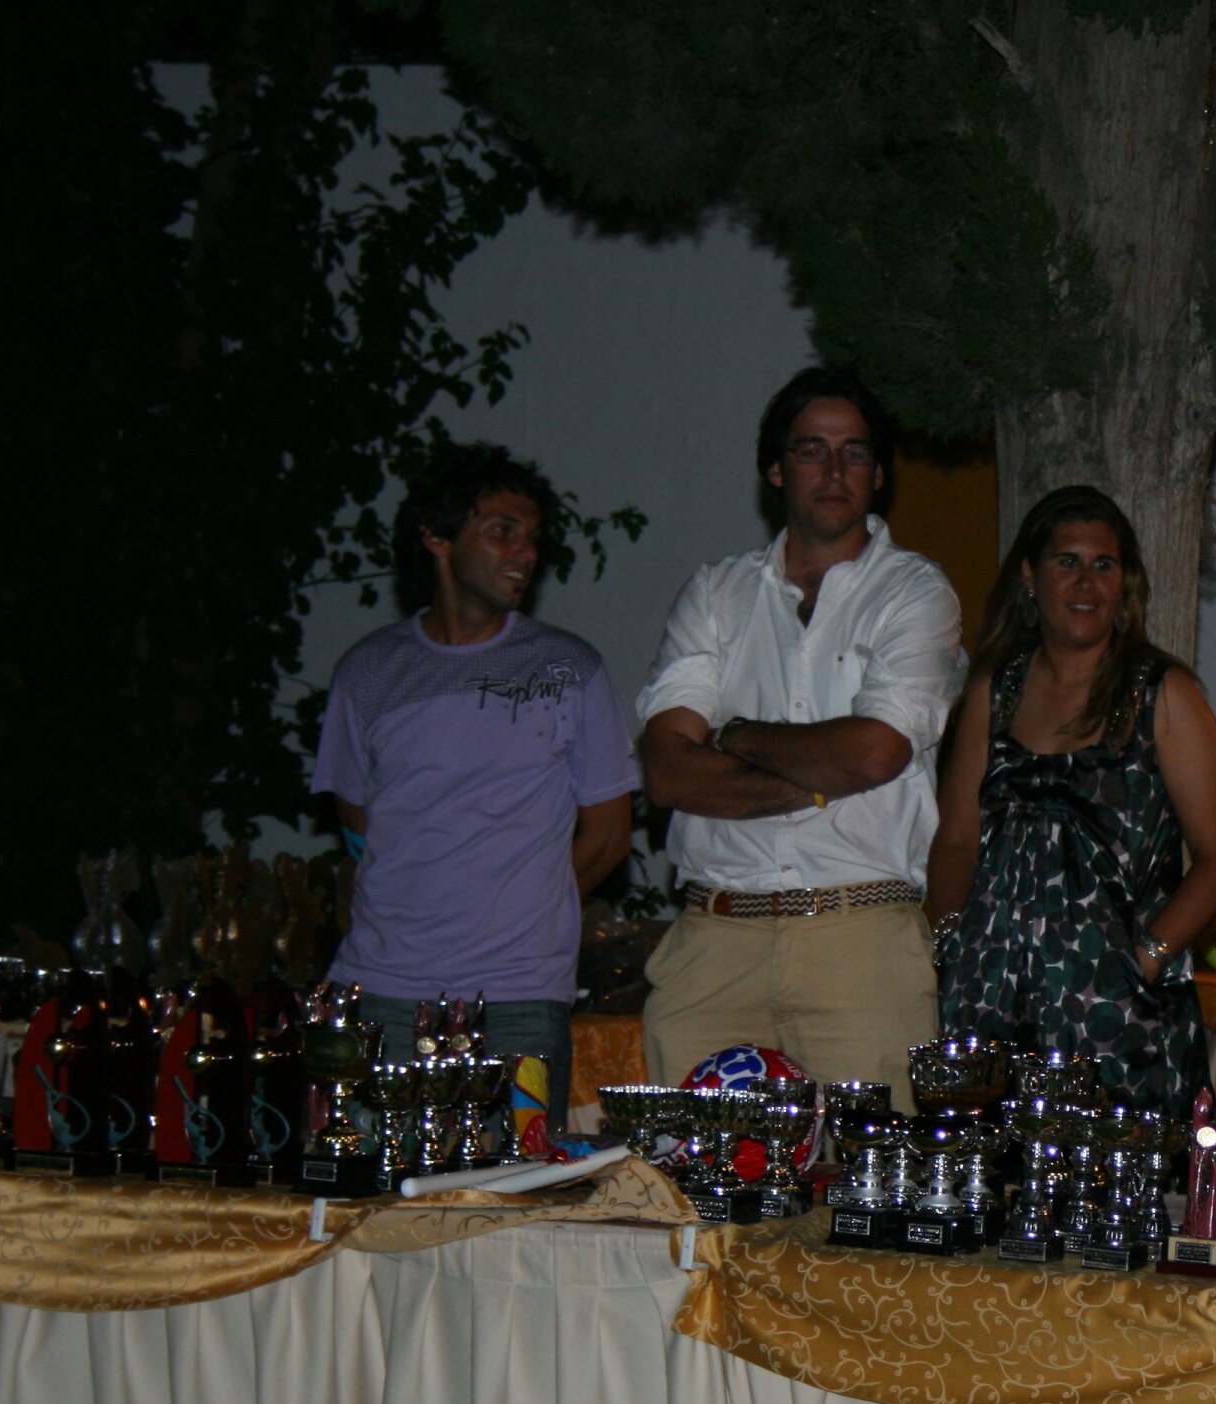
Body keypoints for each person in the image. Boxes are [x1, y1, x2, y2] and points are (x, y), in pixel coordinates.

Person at [634, 368, 962, 1095]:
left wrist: (731, 733)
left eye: (854, 452)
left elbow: (874, 753)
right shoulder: (715, 594)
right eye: (812, 450)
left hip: (859, 938)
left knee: (868, 1169)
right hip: (715, 940)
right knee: (691, 1167)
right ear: (776, 469)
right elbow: (667, 772)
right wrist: (820, 774)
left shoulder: (914, 592)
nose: (834, 471)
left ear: (879, 474)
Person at [313, 440, 639, 1125]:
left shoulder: (568, 669)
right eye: (503, 531)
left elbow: (609, 835)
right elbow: (359, 827)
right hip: (384, 991)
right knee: (377, 1183)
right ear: (437, 537)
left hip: (519, 998)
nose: (526, 553)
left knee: (516, 1184)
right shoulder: (369, 672)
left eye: (533, 537)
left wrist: (522, 907)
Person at [925, 486, 1216, 1115]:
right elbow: (956, 838)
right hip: (993, 1009)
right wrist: (955, 947)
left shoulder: (1164, 694)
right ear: (1030, 574)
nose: (1086, 582)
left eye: (1104, 565)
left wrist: (1144, 961)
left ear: (1126, 584)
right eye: (1067, 561)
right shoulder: (996, 691)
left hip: (1120, 1022)